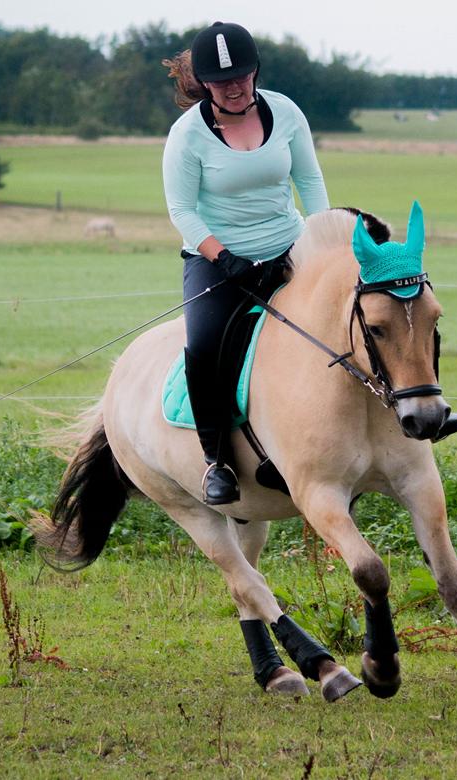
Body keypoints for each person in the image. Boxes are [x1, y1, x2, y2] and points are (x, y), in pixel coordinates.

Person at [162, 21, 330, 505]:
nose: (233, 88)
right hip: (218, 259)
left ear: (255, 71)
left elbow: (310, 182)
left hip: (290, 248)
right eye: (221, 82)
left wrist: (320, 241)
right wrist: (226, 258)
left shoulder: (287, 113)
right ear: (203, 84)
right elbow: (181, 211)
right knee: (205, 346)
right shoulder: (187, 135)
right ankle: (217, 460)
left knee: (342, 322)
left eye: (241, 76)